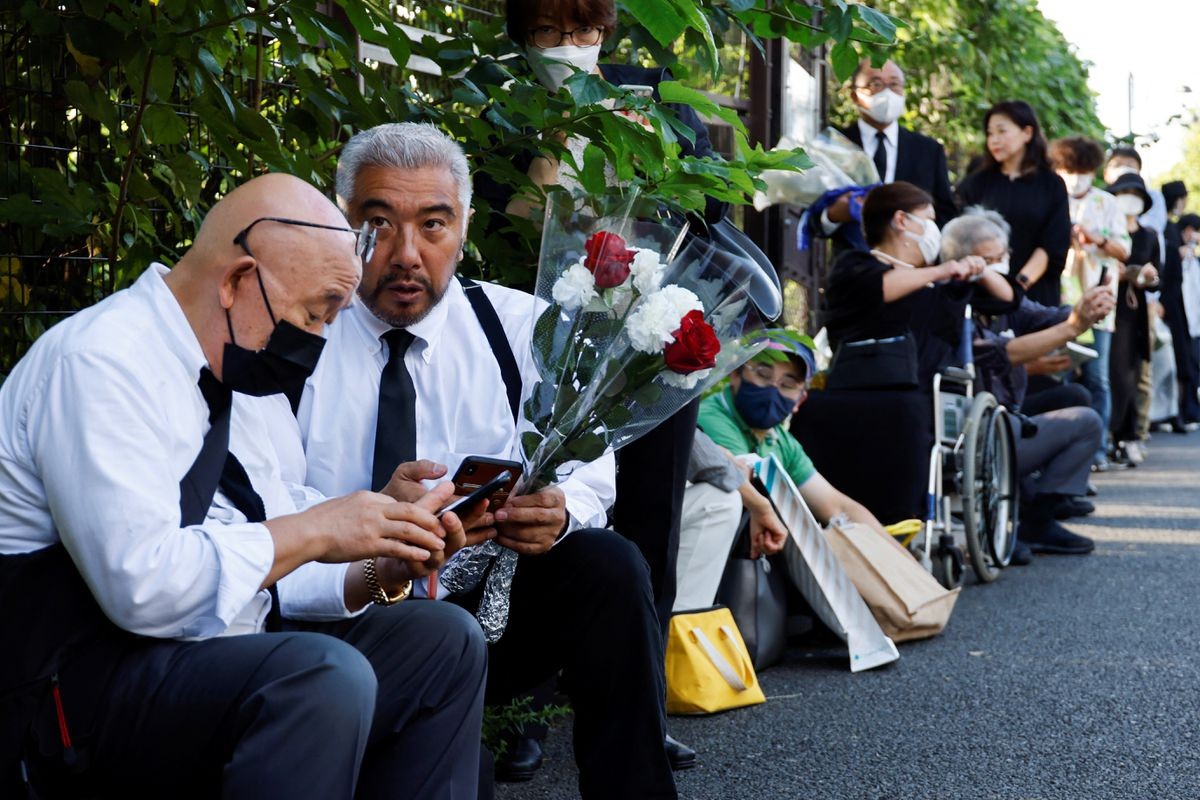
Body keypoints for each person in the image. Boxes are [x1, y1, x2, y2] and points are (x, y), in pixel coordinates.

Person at [0, 173, 487, 798]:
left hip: (213, 655)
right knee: (319, 676)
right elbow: (142, 588)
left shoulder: (242, 373)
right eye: (315, 313)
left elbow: (272, 549)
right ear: (236, 281)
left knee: (441, 642)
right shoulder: (100, 362)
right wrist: (318, 528)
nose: (318, 339)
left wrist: (377, 564)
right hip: (79, 689)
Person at [265, 122, 677, 799]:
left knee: (609, 567)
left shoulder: (519, 326)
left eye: (433, 225)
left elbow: (591, 464)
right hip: (341, 612)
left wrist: (561, 511)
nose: (406, 254)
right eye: (378, 224)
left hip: (491, 605)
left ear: (465, 226)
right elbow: (263, 508)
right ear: (344, 224)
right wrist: (372, 528)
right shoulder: (299, 339)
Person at [482, 0, 728, 773]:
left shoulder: (649, 100)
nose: (572, 49)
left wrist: (643, 149)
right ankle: (520, 711)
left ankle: (637, 709)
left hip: (644, 341)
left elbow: (710, 208)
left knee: (650, 522)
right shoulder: (497, 111)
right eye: (552, 34)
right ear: (523, 38)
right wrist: (548, 150)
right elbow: (495, 227)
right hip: (537, 341)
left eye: (585, 33)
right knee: (530, 513)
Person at [941, 208, 1112, 560]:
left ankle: (1038, 514)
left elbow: (1043, 316)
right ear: (963, 262)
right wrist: (1072, 327)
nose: (1000, 265)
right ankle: (1029, 510)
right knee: (1086, 422)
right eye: (990, 260)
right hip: (974, 429)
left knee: (1076, 395)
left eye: (1003, 257)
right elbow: (1003, 354)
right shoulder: (948, 304)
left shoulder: (1005, 300)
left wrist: (1085, 307)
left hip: (1007, 412)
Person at [680, 341, 897, 606]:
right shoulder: (713, 417)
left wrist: (898, 559)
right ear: (736, 374)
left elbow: (837, 505)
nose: (773, 389)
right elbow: (740, 478)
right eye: (762, 373)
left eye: (787, 383)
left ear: (800, 399)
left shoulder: (779, 438)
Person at [1047, 136, 1131, 469]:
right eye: (1069, 170)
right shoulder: (1052, 200)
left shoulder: (1107, 203)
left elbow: (1124, 250)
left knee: (1097, 378)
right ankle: (1059, 450)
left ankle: (1095, 451)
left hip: (1098, 301)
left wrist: (1096, 239)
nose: (1076, 176)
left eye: (1082, 170)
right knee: (1059, 375)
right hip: (1059, 301)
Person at [821, 58, 957, 237]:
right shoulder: (836, 145)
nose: (886, 92)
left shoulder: (928, 151)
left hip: (914, 261)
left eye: (894, 84)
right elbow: (813, 217)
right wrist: (833, 215)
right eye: (875, 84)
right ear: (854, 95)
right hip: (853, 261)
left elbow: (946, 213)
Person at [957, 101, 1071, 307]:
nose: (994, 140)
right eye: (990, 133)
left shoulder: (1051, 184)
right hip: (981, 291)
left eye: (1002, 131)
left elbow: (1052, 245)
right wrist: (992, 282)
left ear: (1027, 133)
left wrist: (1018, 286)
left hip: (1034, 293)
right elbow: (960, 237)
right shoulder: (976, 182)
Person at [1106, 171, 1161, 467]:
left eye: (1135, 194)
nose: (1129, 199)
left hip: (1131, 311)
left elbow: (1156, 279)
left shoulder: (1149, 236)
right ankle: (1104, 436)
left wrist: (1145, 277)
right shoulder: (1105, 231)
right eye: (1123, 192)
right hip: (1103, 305)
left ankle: (1127, 437)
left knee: (1127, 374)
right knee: (1101, 374)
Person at [1156, 180, 1199, 429]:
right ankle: (1174, 415)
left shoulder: (1168, 229)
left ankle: (1178, 413)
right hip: (1168, 304)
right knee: (1174, 362)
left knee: (1181, 362)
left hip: (1174, 304)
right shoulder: (1166, 229)